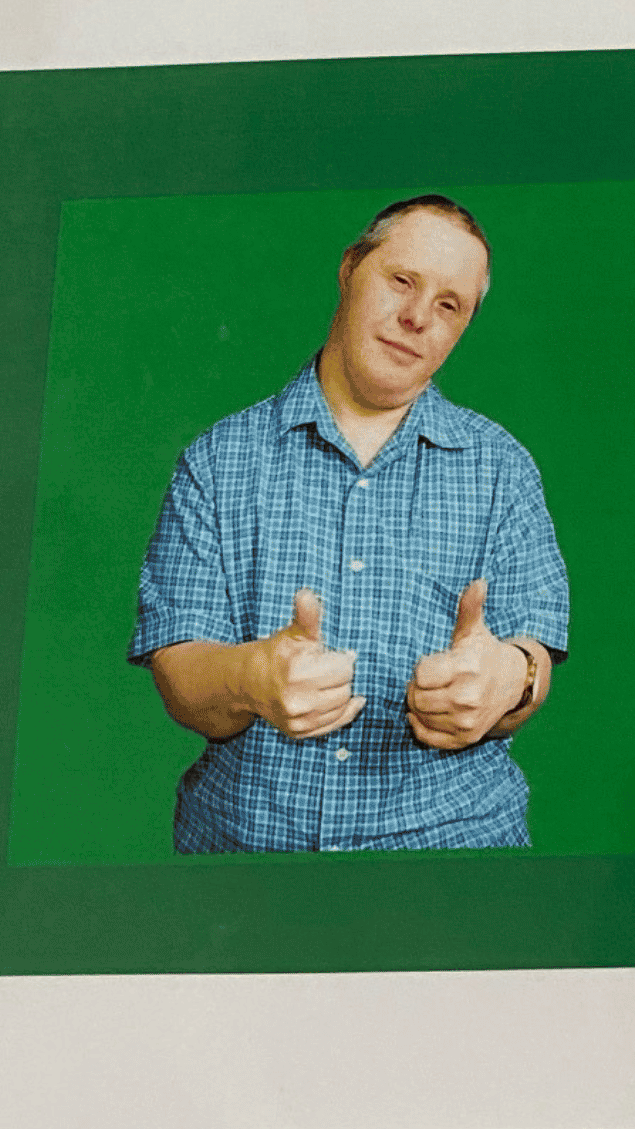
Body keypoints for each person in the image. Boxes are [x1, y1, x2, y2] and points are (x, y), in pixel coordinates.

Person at [128, 194, 568, 854]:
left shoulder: (503, 467)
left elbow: (534, 659)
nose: (417, 317)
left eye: (449, 304)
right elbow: (178, 675)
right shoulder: (217, 461)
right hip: (245, 855)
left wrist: (510, 679)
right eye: (402, 280)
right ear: (349, 269)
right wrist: (251, 676)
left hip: (453, 857)